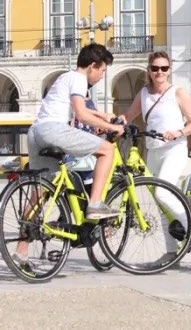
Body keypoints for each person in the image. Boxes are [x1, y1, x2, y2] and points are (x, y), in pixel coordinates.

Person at [15, 44, 124, 267]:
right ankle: (95, 203)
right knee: (107, 150)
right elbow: (82, 114)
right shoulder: (79, 78)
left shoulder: (66, 78)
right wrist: (111, 128)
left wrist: (103, 115)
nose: (102, 76)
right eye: (102, 70)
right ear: (93, 65)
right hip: (54, 130)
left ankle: (20, 251)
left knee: (41, 193)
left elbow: (79, 107)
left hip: (36, 132)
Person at [119, 51, 191, 259]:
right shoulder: (143, 94)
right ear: (149, 70)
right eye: (155, 68)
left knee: (163, 194)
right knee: (160, 203)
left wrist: (178, 132)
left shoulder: (178, 92)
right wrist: (115, 121)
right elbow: (129, 116)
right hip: (152, 150)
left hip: (174, 149)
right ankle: (170, 251)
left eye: (164, 68)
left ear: (169, 70)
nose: (159, 72)